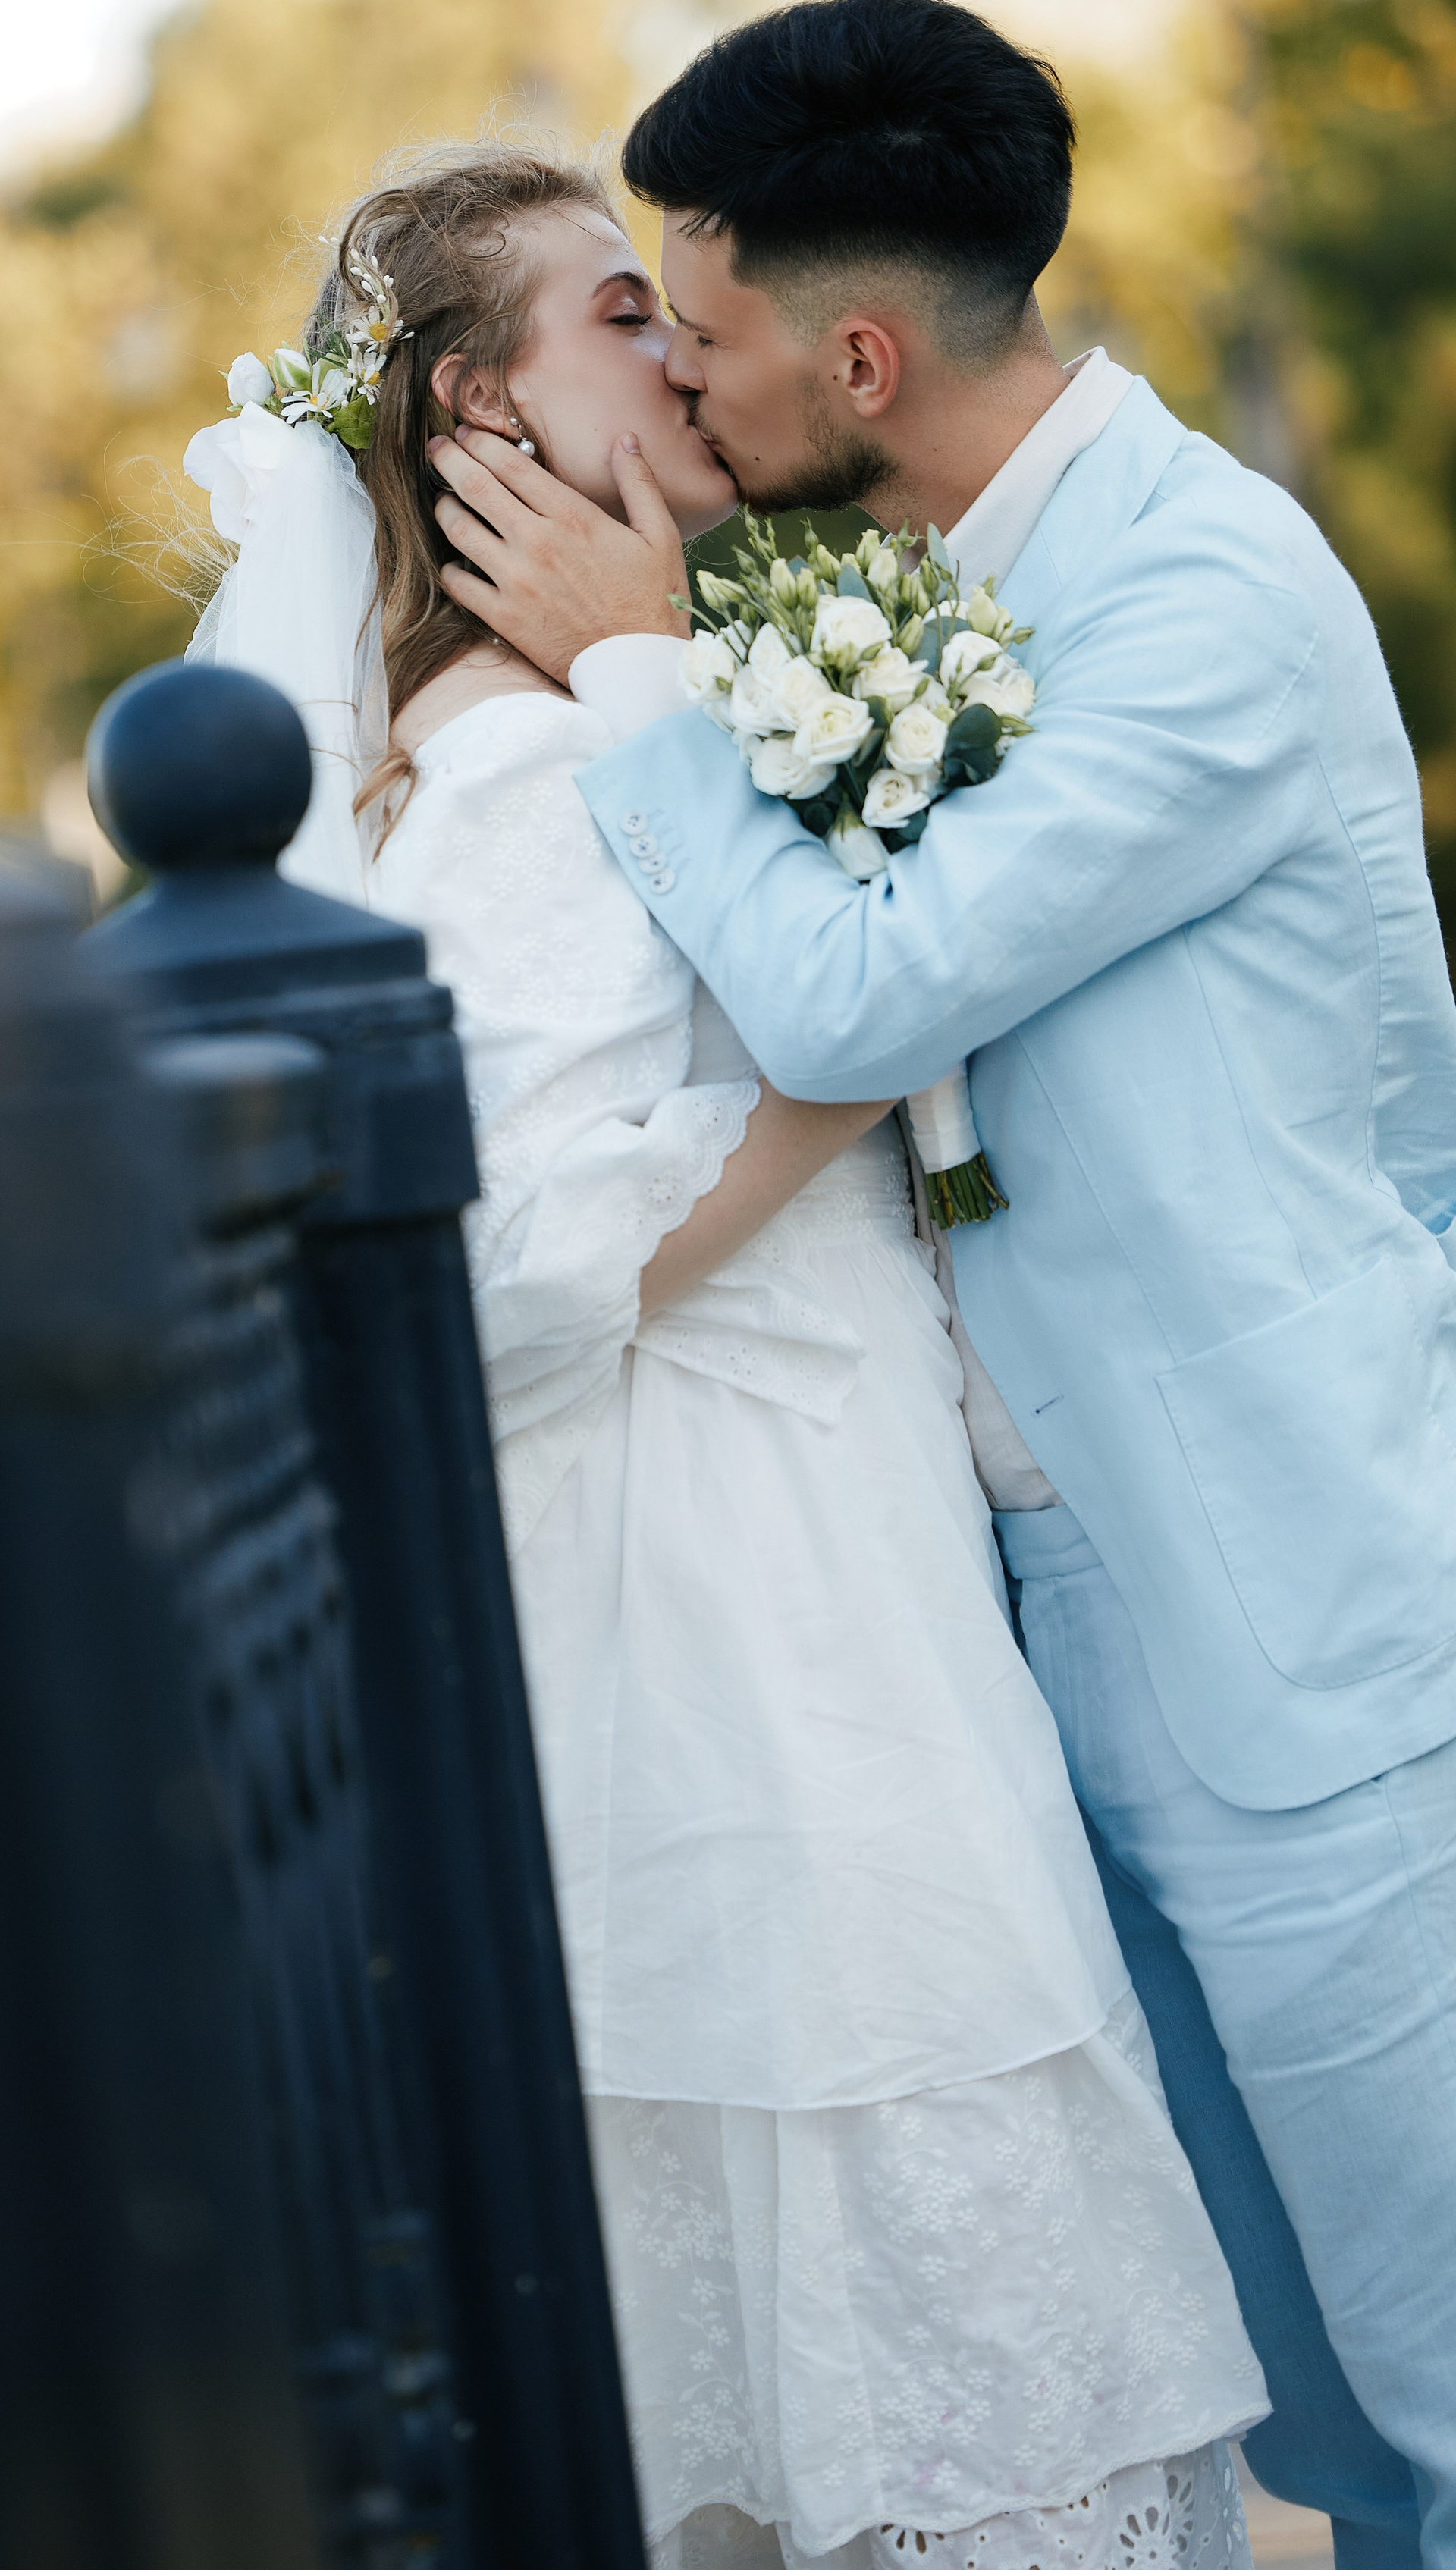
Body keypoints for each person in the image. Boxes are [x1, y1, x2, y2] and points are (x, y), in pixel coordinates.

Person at [426, 0, 1456, 2570]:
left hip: (1294, 1617)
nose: (683, 373)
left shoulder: (1197, 593)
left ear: (860, 358)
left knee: (1443, 2372)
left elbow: (865, 1002)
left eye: (703, 325)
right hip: (1009, 1622)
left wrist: (640, 673)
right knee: (1317, 2413)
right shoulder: (917, 588)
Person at [184, 140, 1265, 2570]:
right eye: (612, 314)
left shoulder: (612, 720)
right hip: (751, 1630)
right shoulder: (535, 768)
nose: (677, 347)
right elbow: (496, 1265)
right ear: (476, 410)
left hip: (822, 1549)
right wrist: (848, 1069)